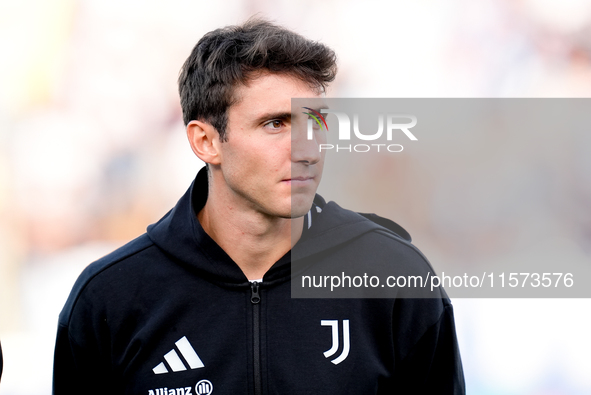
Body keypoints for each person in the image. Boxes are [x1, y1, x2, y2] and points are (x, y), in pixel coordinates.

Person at [53, 19, 464, 394]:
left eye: (315, 123)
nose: (306, 150)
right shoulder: (111, 297)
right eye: (275, 124)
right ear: (205, 142)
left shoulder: (394, 278)